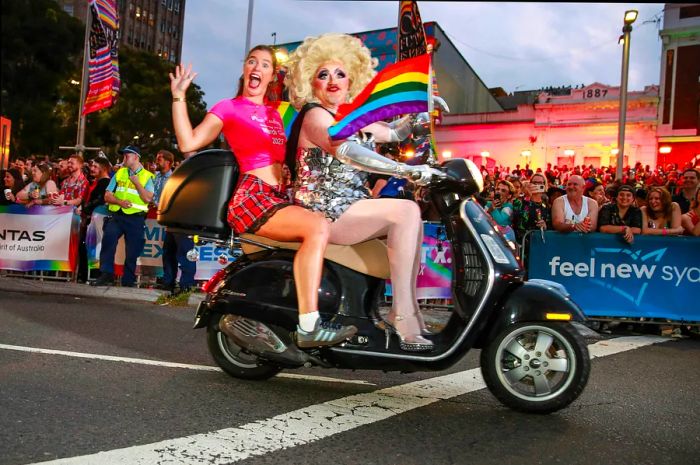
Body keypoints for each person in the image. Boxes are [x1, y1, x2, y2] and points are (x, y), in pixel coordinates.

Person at [169, 45, 356, 348]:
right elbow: (188, 142)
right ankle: (309, 326)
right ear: (245, 69)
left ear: (272, 75)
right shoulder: (229, 107)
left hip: (283, 196)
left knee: (337, 228)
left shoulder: (278, 112)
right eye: (252, 62)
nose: (257, 68)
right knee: (317, 226)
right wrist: (179, 96)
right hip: (253, 197)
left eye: (265, 65)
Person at [284, 33, 439, 351]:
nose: (332, 81)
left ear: (351, 78)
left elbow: (395, 131)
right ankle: (403, 316)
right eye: (322, 74)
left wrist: (422, 111)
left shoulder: (348, 119)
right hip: (325, 211)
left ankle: (390, 313)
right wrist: (404, 170)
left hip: (351, 206)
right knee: (406, 211)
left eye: (340, 73)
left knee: (412, 224)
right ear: (310, 83)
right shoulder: (316, 116)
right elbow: (348, 152)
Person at [92, 146, 155, 287]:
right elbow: (107, 195)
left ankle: (128, 279)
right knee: (108, 241)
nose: (123, 159)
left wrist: (137, 183)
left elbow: (148, 199)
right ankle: (106, 274)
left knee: (133, 250)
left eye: (127, 156)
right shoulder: (119, 173)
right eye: (123, 156)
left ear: (136, 157)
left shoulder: (148, 176)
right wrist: (120, 202)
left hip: (136, 218)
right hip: (117, 215)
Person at [153, 149, 197, 294]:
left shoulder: (194, 180)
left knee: (185, 254)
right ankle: (169, 282)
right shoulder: (177, 179)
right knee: (169, 253)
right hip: (173, 221)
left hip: (186, 221)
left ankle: (186, 285)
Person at [77, 156, 112, 283]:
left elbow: (99, 200)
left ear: (103, 168)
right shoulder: (96, 182)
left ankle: (94, 275)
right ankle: (86, 275)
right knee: (87, 246)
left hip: (98, 218)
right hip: (91, 218)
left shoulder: (105, 182)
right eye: (91, 166)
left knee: (94, 247)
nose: (92, 168)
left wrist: (85, 209)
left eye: (95, 166)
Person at [514, 172, 551, 243]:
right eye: (534, 182)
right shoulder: (519, 201)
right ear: (530, 184)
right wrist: (527, 196)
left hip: (539, 242)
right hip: (523, 242)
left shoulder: (545, 204)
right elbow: (518, 220)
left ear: (544, 185)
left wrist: (545, 225)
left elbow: (550, 223)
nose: (537, 185)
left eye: (540, 183)